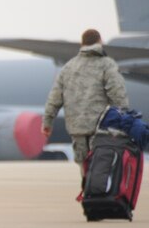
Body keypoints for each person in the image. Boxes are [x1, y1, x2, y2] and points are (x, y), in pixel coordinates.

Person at [42, 28, 129, 173]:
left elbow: (55, 98)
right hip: (101, 127)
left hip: (77, 128)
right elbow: (118, 94)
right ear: (100, 42)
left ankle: (88, 191)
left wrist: (47, 122)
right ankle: (101, 192)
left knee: (84, 164)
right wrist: (124, 119)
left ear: (82, 44)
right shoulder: (107, 64)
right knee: (101, 163)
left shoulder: (69, 67)